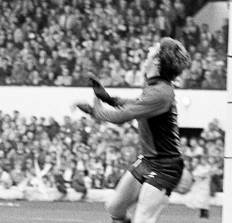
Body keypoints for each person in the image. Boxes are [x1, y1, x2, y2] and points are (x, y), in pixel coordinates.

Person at [75, 37, 191, 223]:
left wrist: (95, 111)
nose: (148, 51)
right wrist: (107, 98)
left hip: (165, 167)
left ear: (157, 60)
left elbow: (123, 115)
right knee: (114, 207)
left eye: (153, 49)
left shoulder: (161, 92)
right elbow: (135, 105)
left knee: (144, 219)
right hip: (148, 160)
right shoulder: (155, 86)